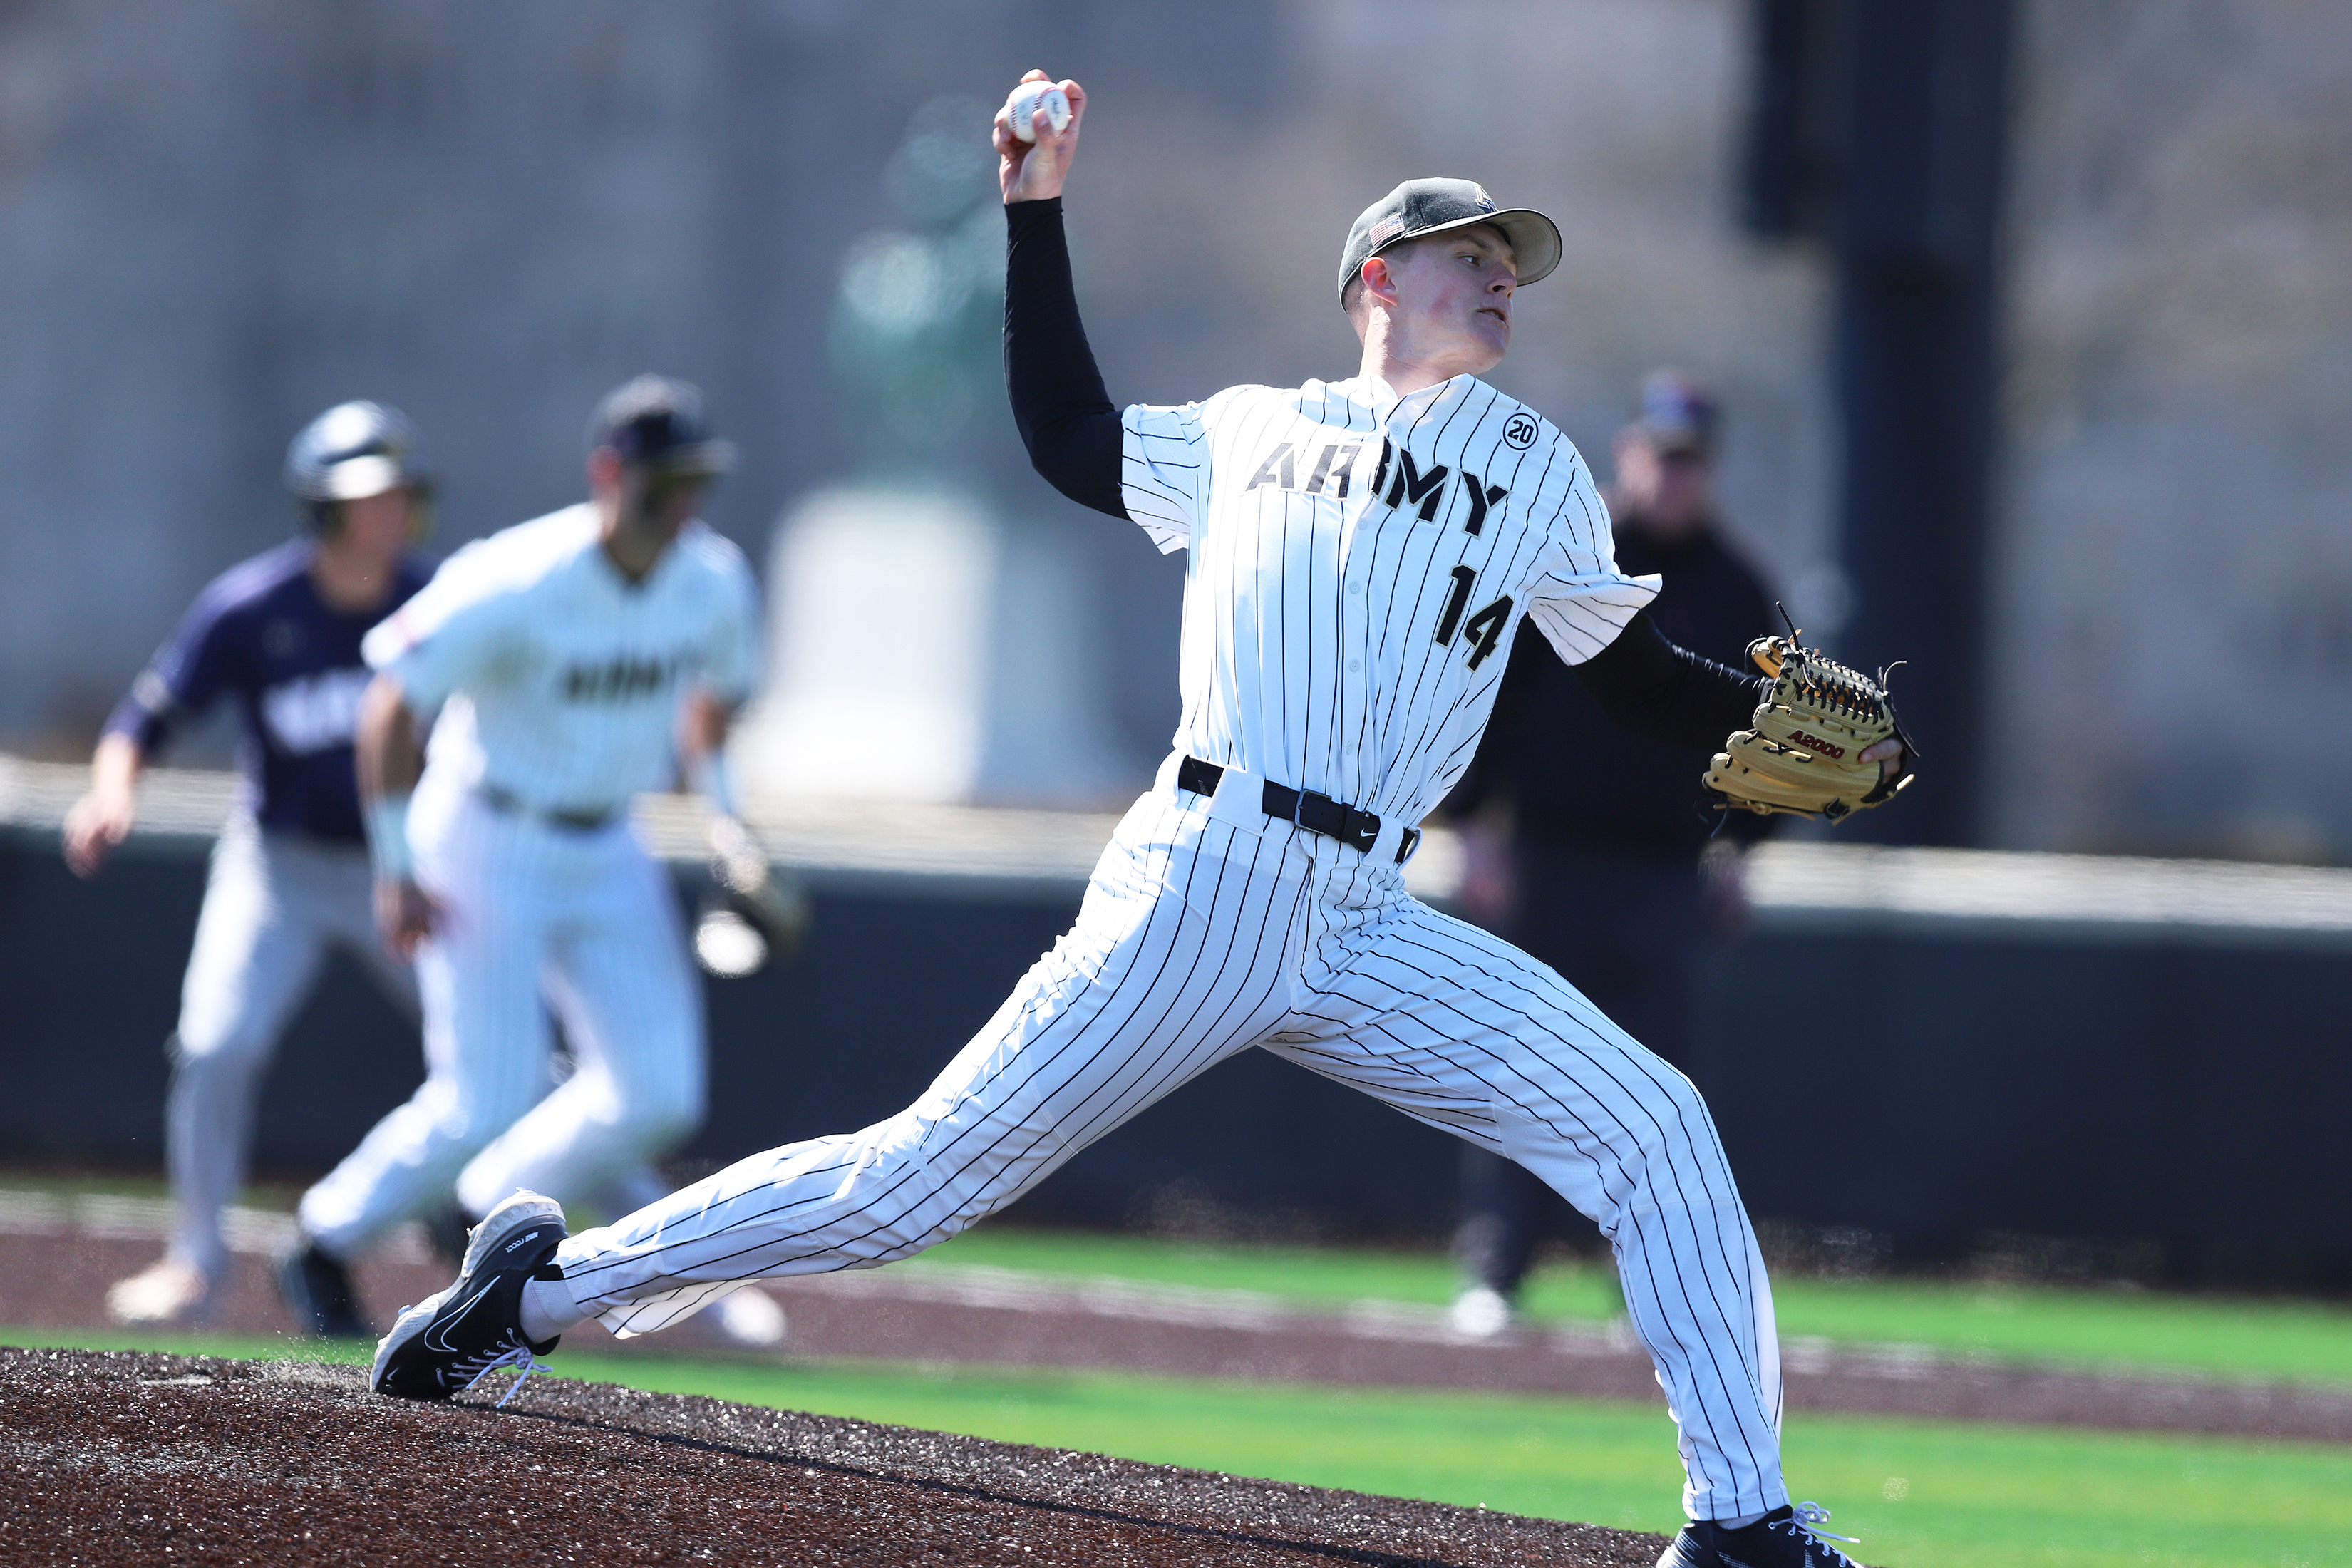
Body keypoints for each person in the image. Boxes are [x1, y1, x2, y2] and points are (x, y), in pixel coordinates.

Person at [372, 76, 1900, 1568]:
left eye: (1513, 268)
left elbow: (1626, 679)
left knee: (1655, 1125)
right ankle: (545, 1291)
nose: (1504, 281)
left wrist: (1765, 723)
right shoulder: (1249, 431)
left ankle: (1741, 1519)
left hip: (1367, 912)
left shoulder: (1538, 471)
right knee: (911, 1183)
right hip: (1207, 875)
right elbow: (1062, 430)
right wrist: (1036, 214)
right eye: (1471, 257)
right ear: (1378, 277)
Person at [282, 375, 782, 1347]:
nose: (683, 504)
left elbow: (715, 706)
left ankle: (473, 1207)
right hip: (486, 830)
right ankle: (321, 1238)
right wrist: (394, 865)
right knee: (482, 1095)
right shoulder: (519, 576)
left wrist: (730, 830)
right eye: (664, 482)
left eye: (697, 483)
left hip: (608, 839)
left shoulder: (711, 579)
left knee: (660, 1089)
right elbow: (392, 702)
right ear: (609, 474)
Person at [64, 401, 435, 1329]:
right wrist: (113, 792)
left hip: (405, 872)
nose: (387, 512)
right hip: (280, 868)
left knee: (509, 1062)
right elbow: (142, 719)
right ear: (323, 506)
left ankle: (525, 1241)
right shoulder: (252, 606)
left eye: (397, 493)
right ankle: (197, 1262)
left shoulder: (436, 604)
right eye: (366, 496)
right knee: (216, 1045)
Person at [1442, 372, 1783, 1341]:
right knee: (1520, 1064)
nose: (1674, 478)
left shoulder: (1736, 586)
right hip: (1551, 854)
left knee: (1657, 1090)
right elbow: (1491, 695)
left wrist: (1745, 853)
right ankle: (1496, 1267)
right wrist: (1474, 828)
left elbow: (1778, 737)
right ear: (1631, 451)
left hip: (1668, 870)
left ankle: (1647, 1287)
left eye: (1692, 463)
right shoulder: (1571, 556)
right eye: (1661, 456)